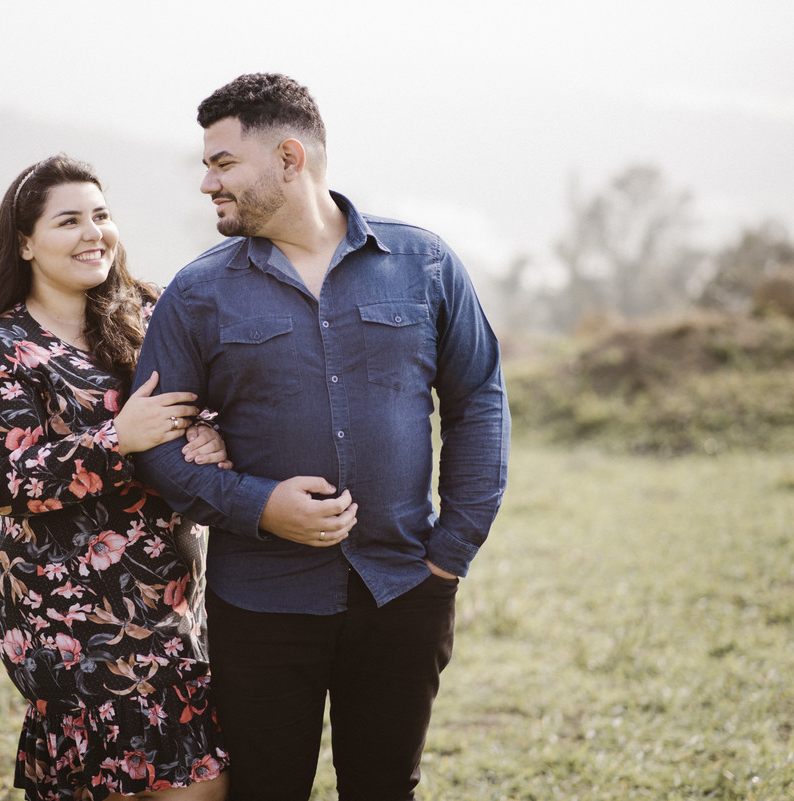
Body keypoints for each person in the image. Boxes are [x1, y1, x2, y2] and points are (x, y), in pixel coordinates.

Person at [130, 74, 511, 801]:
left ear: (289, 157)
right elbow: (156, 446)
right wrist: (258, 505)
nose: (207, 182)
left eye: (222, 162)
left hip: (404, 589)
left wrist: (449, 556)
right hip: (260, 603)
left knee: (383, 788)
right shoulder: (197, 292)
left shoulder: (423, 263)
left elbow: (479, 401)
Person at [0, 155, 229, 801]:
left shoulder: (150, 310)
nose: (92, 233)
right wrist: (116, 440)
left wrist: (213, 431)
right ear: (25, 242)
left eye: (101, 215)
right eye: (68, 220)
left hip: (171, 603)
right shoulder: (2, 350)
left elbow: (208, 394)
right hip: (70, 619)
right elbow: (0, 481)